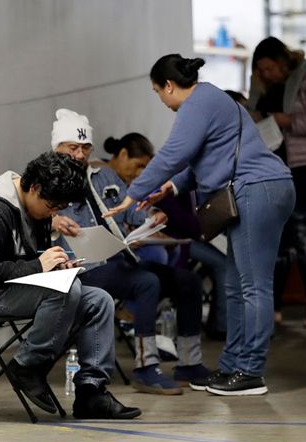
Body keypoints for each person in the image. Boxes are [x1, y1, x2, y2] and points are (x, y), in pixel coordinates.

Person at [105, 55, 294, 397]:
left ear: (169, 86)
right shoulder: (212, 99)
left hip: (257, 189)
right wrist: (170, 187)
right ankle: (235, 364)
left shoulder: (196, 103)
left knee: (253, 287)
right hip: (258, 189)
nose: (161, 100)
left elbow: (174, 153)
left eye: (157, 92)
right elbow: (200, 159)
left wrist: (134, 192)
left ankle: (250, 372)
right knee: (236, 285)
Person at [0, 150, 140, 420]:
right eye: (52, 206)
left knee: (99, 300)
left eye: (59, 209)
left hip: (19, 288)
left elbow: (32, 259)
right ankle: (27, 365)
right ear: (34, 188)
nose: (53, 213)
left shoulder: (35, 208)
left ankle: (91, 392)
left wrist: (57, 266)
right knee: (65, 290)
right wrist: (39, 266)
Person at [50, 116, 212, 393]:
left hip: (117, 259)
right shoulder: (46, 177)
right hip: (79, 268)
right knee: (146, 282)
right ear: (56, 148)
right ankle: (146, 368)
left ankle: (189, 363)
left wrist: (152, 218)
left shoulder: (105, 176)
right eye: (71, 148)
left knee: (188, 281)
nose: (79, 155)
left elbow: (132, 210)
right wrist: (50, 222)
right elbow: (26, 213)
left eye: (85, 147)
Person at [248, 37, 306, 330]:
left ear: (285, 61)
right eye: (261, 70)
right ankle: (275, 307)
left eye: (271, 68)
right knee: (276, 242)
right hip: (271, 169)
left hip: (305, 169)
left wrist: (285, 120)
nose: (266, 75)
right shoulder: (260, 86)